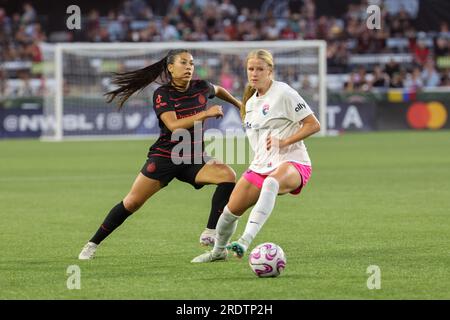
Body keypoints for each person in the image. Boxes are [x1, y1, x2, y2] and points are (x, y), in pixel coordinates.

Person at [78, 49, 241, 260]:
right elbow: (173, 125)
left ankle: (210, 232)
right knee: (132, 203)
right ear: (170, 68)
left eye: (191, 63)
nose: (189, 67)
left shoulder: (201, 87)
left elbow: (218, 90)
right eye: (183, 63)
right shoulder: (163, 94)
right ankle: (92, 243)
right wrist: (206, 113)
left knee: (227, 175)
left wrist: (239, 104)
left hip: (193, 157)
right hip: (165, 157)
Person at [191, 49, 320, 263]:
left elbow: (313, 124)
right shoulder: (250, 103)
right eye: (251, 69)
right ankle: (218, 252)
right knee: (229, 212)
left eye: (260, 69)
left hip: (293, 162)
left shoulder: (283, 93)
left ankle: (244, 242)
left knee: (271, 183)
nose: (254, 73)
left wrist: (285, 141)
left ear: (270, 71)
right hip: (260, 166)